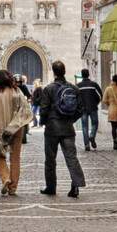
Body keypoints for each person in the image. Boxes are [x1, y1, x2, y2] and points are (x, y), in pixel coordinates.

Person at [34, 60, 86, 197]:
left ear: (53, 72)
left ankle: (51, 187)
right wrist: (71, 120)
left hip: (52, 129)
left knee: (50, 159)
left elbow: (44, 109)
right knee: (71, 158)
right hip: (68, 129)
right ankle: (76, 187)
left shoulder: (49, 89)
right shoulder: (74, 88)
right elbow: (81, 109)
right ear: (64, 71)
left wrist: (44, 122)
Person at [0, 71, 32, 195]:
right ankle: (13, 188)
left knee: (0, 156)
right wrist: (15, 125)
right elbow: (25, 109)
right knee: (15, 158)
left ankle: (5, 178)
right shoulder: (17, 92)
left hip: (0, 130)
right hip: (16, 129)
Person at [73, 67, 104, 151]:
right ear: (88, 75)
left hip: (83, 109)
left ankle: (86, 145)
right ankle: (92, 136)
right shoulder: (94, 84)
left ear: (82, 76)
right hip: (93, 107)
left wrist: (79, 106)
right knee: (95, 123)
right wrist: (96, 102)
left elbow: (75, 98)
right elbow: (100, 95)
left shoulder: (78, 86)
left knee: (84, 127)